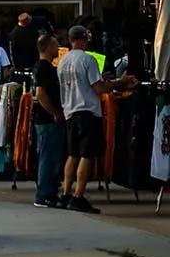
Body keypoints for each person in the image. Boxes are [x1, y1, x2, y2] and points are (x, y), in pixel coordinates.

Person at [59, 24, 133, 213]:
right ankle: (79, 196)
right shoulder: (88, 59)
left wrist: (102, 79)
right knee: (87, 154)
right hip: (87, 111)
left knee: (73, 154)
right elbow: (98, 88)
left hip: (70, 111)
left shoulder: (63, 61)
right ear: (84, 39)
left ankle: (66, 194)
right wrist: (120, 82)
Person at [30, 33, 65, 208]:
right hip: (46, 119)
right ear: (47, 47)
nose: (58, 48)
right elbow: (40, 93)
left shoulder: (49, 67)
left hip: (48, 118)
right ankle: (43, 194)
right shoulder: (42, 68)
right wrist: (54, 112)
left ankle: (50, 191)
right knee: (47, 156)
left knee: (52, 156)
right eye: (55, 45)